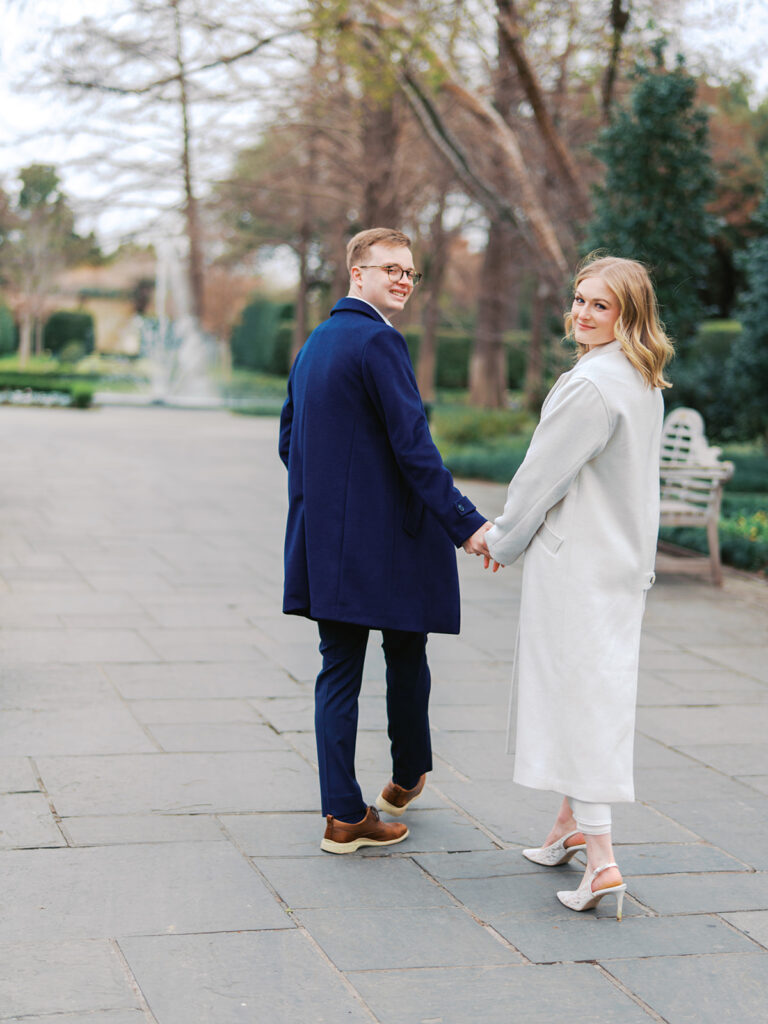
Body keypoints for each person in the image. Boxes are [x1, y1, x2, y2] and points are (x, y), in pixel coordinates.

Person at [279, 227, 492, 854]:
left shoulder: (317, 342)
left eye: (410, 272)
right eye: (390, 269)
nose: (402, 279)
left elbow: (290, 441)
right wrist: (468, 523)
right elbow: (413, 446)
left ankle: (355, 806)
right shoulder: (378, 339)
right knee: (404, 651)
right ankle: (396, 783)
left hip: (327, 542)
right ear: (357, 274)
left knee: (346, 667)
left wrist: (334, 500)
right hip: (392, 542)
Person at [485, 254, 674, 920]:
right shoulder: (642, 380)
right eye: (578, 299)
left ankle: (601, 861)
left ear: (629, 313)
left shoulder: (591, 384)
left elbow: (542, 477)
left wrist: (501, 540)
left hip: (579, 571)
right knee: (591, 689)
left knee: (581, 701)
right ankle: (567, 827)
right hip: (619, 568)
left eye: (601, 305)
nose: (582, 314)